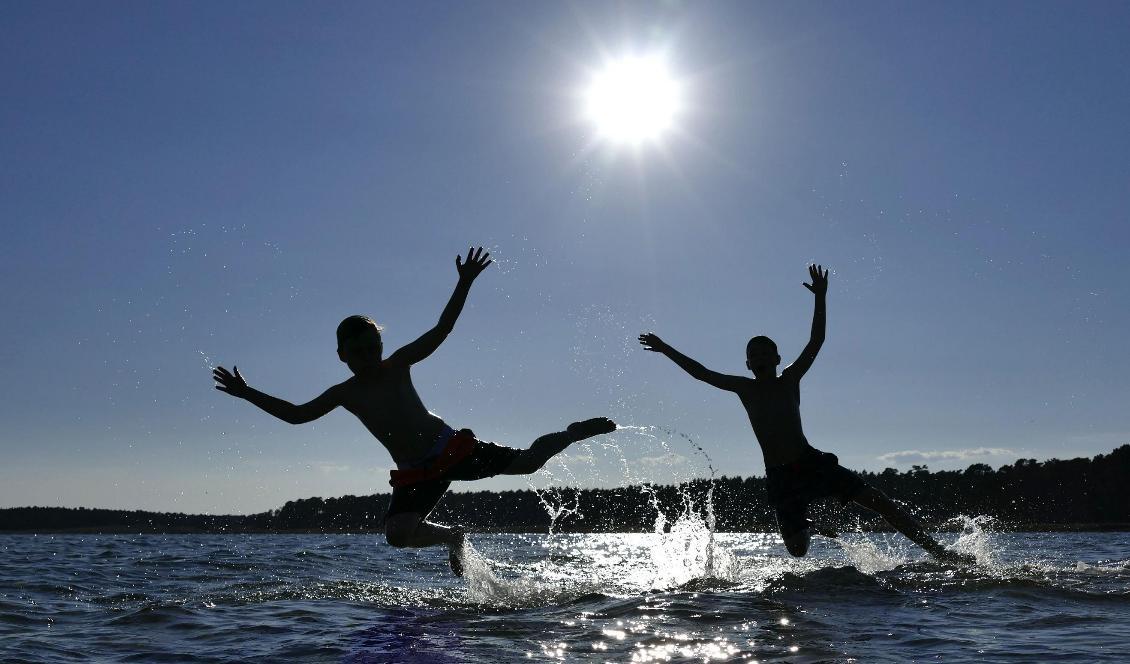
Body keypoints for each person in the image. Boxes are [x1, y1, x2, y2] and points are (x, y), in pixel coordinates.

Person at [213, 247, 616, 576]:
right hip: (415, 471)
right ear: (341, 355)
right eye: (357, 352)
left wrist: (463, 284)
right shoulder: (345, 392)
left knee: (528, 463)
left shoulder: (399, 364)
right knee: (397, 535)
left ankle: (571, 432)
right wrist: (248, 394)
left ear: (381, 346)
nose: (368, 356)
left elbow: (441, 330)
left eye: (373, 347)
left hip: (451, 449)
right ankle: (454, 537)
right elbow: (297, 415)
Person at [639, 264, 973, 564]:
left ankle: (939, 551)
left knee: (879, 501)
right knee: (798, 550)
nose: (758, 357)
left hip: (810, 462)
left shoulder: (790, 379)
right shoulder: (745, 387)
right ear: (747, 364)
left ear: (777, 358)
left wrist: (820, 298)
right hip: (781, 477)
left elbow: (816, 340)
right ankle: (809, 522)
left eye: (764, 352)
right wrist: (666, 348)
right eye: (752, 355)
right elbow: (700, 372)